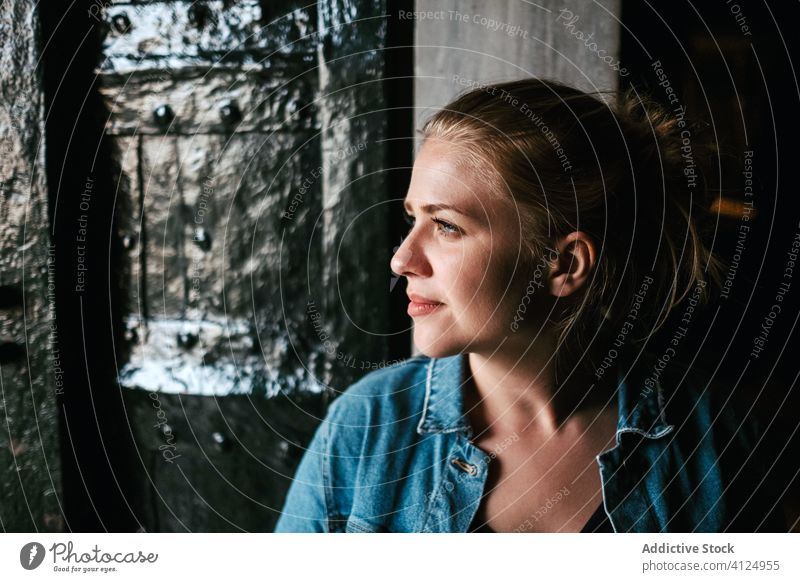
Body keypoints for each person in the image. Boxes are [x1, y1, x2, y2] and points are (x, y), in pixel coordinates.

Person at [274, 78, 785, 533]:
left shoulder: (717, 445)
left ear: (563, 265)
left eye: (447, 225)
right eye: (413, 219)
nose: (402, 259)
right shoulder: (363, 431)